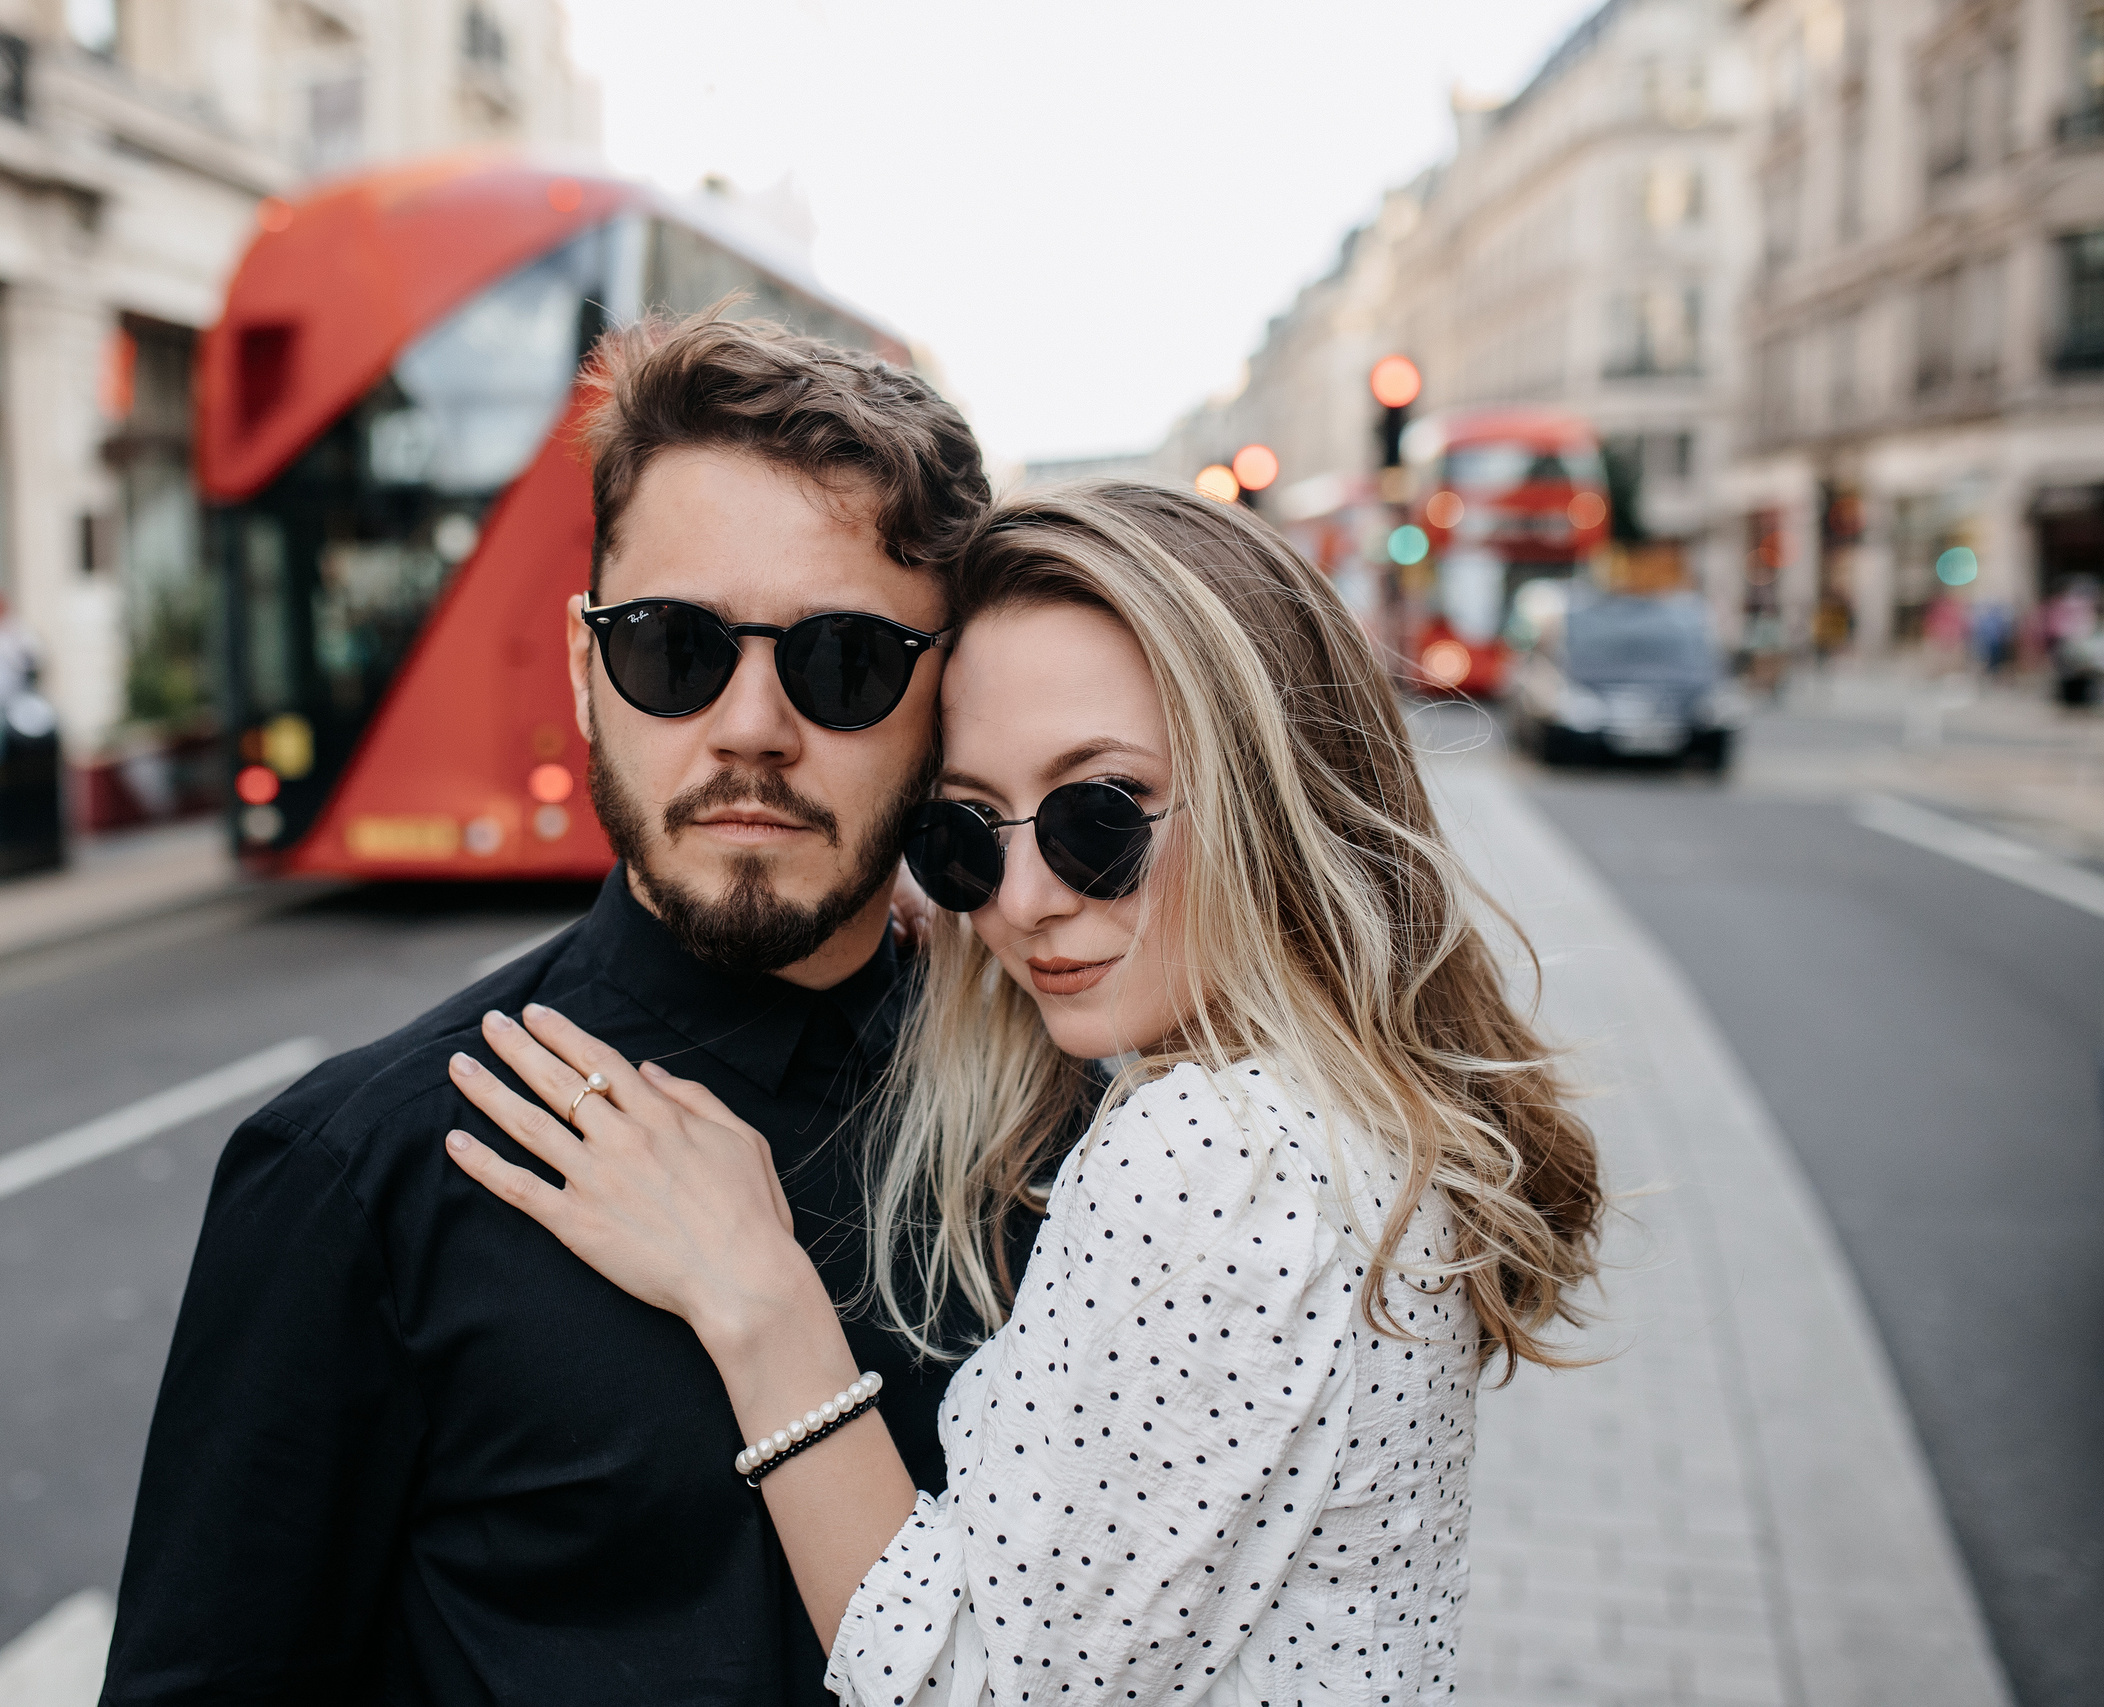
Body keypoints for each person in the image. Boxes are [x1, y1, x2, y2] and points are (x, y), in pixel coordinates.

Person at [445, 481, 1606, 1703]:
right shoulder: (1335, 1115)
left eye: (1096, 819)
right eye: (963, 837)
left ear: (1276, 785)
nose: (1022, 900)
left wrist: (758, 1300)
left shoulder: (1209, 1155)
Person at [98, 312, 992, 1704]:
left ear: (947, 706)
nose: (752, 723)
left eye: (846, 662)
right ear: (586, 676)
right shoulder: (359, 1174)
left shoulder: (1070, 1124)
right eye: (673, 647)